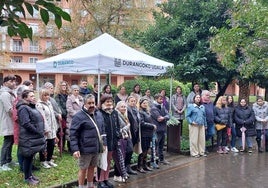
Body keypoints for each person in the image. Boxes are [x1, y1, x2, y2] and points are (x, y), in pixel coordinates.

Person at [70, 94, 106, 188]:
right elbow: (73, 134)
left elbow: (102, 130)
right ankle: (81, 187)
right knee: (83, 169)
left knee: (92, 168)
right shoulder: (78, 116)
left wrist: (104, 143)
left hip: (96, 147)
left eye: (93, 103)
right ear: (84, 104)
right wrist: (75, 149)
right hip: (85, 148)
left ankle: (90, 185)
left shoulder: (98, 114)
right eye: (89, 103)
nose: (91, 105)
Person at [17, 89, 45, 185]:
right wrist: (37, 131)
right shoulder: (23, 108)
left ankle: (30, 175)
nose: (34, 97)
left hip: (32, 137)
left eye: (34, 95)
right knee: (27, 158)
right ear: (25, 98)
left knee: (31, 157)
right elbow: (26, 123)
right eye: (31, 96)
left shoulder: (30, 107)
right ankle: (27, 177)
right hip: (28, 138)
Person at [97, 94, 121, 188]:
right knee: (101, 161)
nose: (109, 103)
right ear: (102, 102)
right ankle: (100, 181)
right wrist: (103, 141)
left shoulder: (114, 112)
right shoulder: (99, 113)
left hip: (113, 141)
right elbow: (100, 128)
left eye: (111, 101)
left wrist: (118, 134)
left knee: (108, 161)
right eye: (107, 101)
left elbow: (117, 125)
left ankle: (106, 179)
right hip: (103, 141)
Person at [36, 89, 58, 168]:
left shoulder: (49, 103)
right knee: (44, 145)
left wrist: (55, 127)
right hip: (45, 128)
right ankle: (43, 161)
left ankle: (49, 159)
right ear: (41, 95)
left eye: (48, 95)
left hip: (52, 127)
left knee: (51, 144)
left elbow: (52, 116)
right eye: (45, 95)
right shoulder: (39, 105)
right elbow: (42, 118)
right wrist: (46, 129)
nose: (47, 97)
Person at [114, 101, 136, 181]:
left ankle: (126, 168)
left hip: (127, 136)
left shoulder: (125, 114)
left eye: (124, 107)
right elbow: (120, 128)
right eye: (122, 107)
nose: (123, 108)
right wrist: (127, 126)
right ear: (118, 107)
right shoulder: (117, 115)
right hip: (121, 137)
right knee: (120, 156)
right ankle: (118, 173)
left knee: (129, 151)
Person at [0, 75, 17, 171]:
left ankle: (9, 160)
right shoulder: (5, 94)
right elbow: (9, 109)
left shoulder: (10, 93)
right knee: (7, 142)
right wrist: (18, 117)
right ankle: (2, 163)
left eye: (14, 81)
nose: (14, 83)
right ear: (5, 82)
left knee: (10, 141)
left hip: (12, 121)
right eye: (11, 81)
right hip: (8, 121)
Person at [12, 85, 29, 171]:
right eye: (27, 92)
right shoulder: (17, 102)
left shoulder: (25, 102)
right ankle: (22, 166)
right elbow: (15, 117)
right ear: (21, 93)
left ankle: (28, 165)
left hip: (25, 129)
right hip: (20, 129)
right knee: (21, 148)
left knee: (26, 148)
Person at [138, 97, 156, 173]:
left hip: (149, 133)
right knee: (143, 150)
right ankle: (139, 166)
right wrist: (152, 126)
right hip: (144, 134)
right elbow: (142, 123)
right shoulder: (140, 112)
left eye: (146, 103)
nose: (145, 104)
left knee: (147, 150)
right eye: (143, 103)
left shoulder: (148, 112)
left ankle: (145, 165)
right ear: (140, 104)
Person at [150, 93, 170, 165]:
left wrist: (164, 117)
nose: (162, 100)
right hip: (157, 130)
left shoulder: (162, 107)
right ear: (156, 99)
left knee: (161, 146)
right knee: (155, 146)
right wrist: (165, 117)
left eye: (162, 99)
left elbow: (168, 115)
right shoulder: (153, 108)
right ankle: (154, 161)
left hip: (163, 129)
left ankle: (161, 159)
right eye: (160, 99)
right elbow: (159, 118)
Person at [66, 85, 84, 152]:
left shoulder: (81, 98)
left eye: (77, 90)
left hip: (81, 118)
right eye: (75, 90)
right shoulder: (69, 99)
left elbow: (83, 107)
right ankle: (70, 148)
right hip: (72, 119)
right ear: (72, 91)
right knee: (71, 133)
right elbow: (69, 109)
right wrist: (78, 114)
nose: (76, 92)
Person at [55, 81, 70, 152]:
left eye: (65, 85)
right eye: (62, 85)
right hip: (62, 116)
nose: (64, 86)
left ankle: (65, 147)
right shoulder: (57, 96)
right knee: (61, 132)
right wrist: (65, 114)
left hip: (68, 116)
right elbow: (58, 106)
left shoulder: (68, 95)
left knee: (67, 131)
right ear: (60, 87)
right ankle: (61, 147)